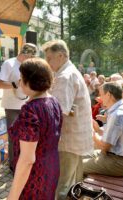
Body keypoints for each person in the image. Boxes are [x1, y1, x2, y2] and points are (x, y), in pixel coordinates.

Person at [42, 40, 93, 200]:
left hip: (68, 139)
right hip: (76, 138)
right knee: (75, 182)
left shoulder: (65, 76)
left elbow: (57, 112)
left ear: (61, 55)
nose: (47, 62)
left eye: (49, 58)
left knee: (62, 185)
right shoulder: (70, 71)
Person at [7, 58, 63, 200]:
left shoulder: (30, 109)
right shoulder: (53, 101)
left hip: (34, 175)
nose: (19, 82)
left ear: (30, 81)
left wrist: (12, 196)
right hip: (51, 167)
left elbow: (27, 160)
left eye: (21, 79)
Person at [0, 43, 37, 170]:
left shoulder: (29, 65)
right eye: (31, 56)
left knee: (26, 136)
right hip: (12, 106)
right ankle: (13, 165)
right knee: (14, 136)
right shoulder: (9, 63)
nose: (32, 59)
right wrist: (15, 84)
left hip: (27, 104)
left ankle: (23, 163)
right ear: (25, 54)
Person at [83, 82, 123, 177]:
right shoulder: (121, 109)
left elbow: (105, 146)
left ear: (108, 95)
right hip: (116, 158)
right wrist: (97, 130)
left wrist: (92, 133)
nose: (99, 98)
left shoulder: (118, 115)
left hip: (119, 164)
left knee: (76, 166)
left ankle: (75, 190)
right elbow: (111, 138)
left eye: (101, 94)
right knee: (78, 155)